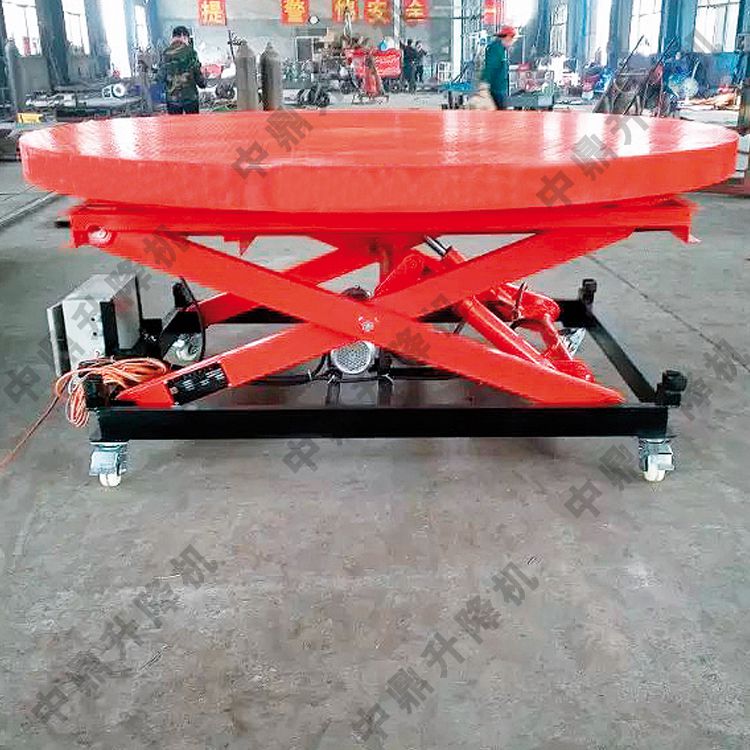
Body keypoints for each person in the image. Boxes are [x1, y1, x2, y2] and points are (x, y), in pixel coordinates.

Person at [157, 25, 206, 115]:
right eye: (187, 38)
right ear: (183, 36)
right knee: (193, 123)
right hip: (190, 98)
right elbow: (198, 75)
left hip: (172, 100)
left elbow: (160, 77)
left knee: (175, 124)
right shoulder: (191, 52)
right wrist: (203, 84)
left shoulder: (165, 54)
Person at [482, 25, 517, 110]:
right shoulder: (495, 49)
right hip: (496, 90)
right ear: (508, 37)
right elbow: (490, 67)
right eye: (513, 39)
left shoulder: (502, 49)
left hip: (500, 88)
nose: (513, 42)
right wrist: (485, 84)